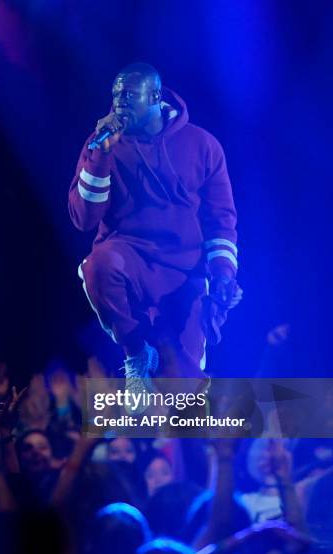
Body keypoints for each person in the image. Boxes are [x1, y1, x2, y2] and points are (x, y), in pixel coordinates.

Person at [69, 62, 242, 389]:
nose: (120, 103)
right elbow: (83, 218)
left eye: (130, 95)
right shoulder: (102, 142)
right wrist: (101, 156)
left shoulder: (201, 145)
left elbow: (221, 219)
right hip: (129, 256)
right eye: (116, 94)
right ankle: (135, 354)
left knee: (187, 381)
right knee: (98, 266)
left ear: (155, 97)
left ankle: (191, 430)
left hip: (184, 269)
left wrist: (222, 273)